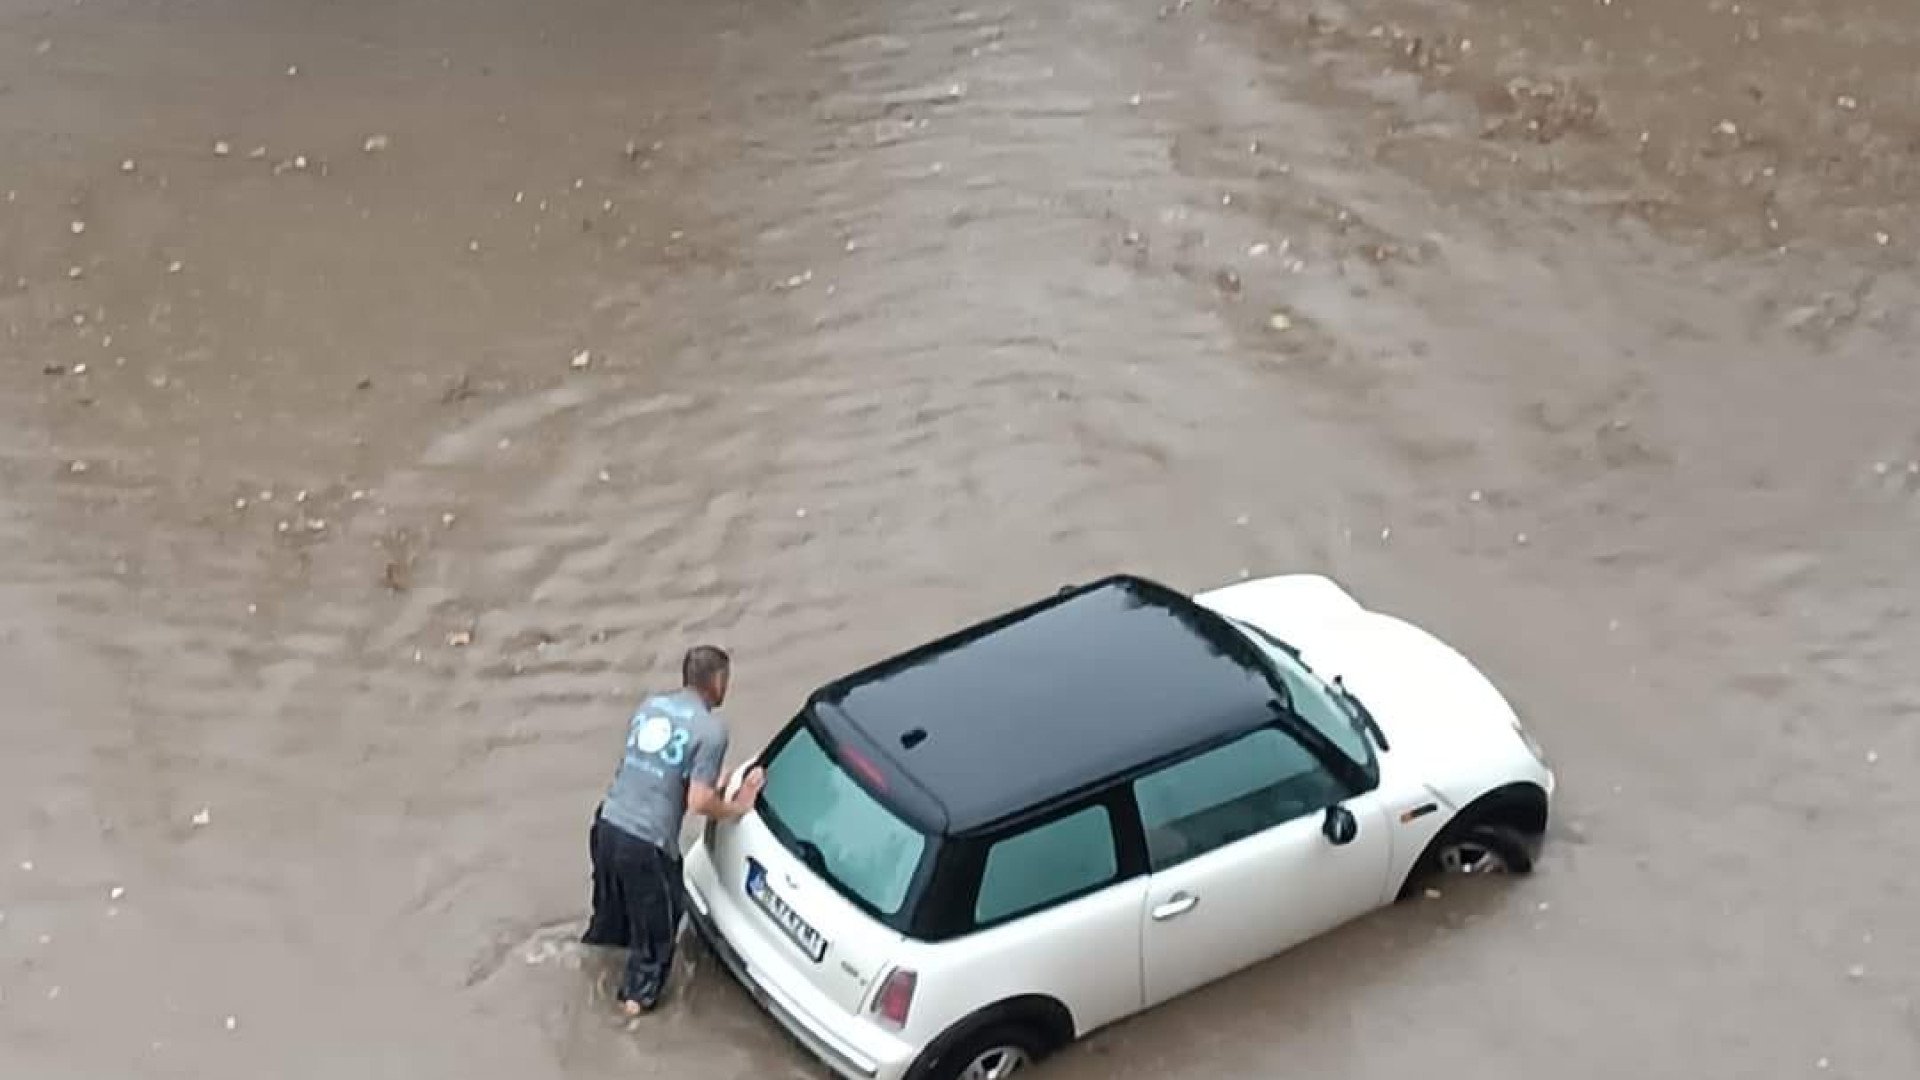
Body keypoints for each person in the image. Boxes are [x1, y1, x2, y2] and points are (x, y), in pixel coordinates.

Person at [583, 644, 764, 1015]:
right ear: (716, 681)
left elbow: (660, 779)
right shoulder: (712, 730)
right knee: (658, 941)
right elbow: (698, 804)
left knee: (609, 926)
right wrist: (737, 807)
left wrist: (717, 785)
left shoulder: (651, 706)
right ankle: (628, 1021)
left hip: (607, 826)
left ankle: (589, 974)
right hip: (646, 844)